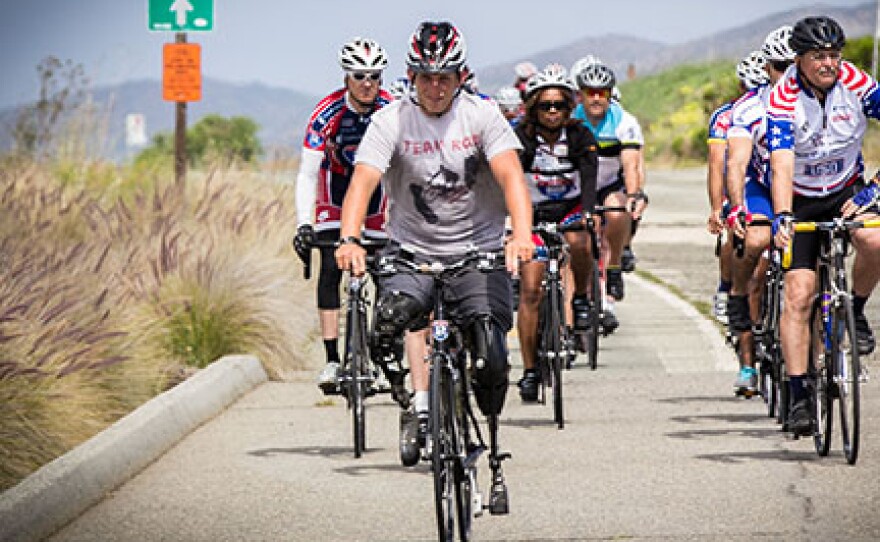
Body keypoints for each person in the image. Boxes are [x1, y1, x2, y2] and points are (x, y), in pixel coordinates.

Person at [334, 22, 534, 505]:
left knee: (490, 356)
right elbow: (362, 182)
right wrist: (350, 238)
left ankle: (490, 442)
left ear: (461, 76)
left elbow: (511, 179)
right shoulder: (392, 120)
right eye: (426, 77)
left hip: (477, 249)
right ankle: (411, 401)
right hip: (413, 250)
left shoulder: (483, 116)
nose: (436, 86)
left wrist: (522, 234)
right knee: (387, 324)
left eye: (445, 76)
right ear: (410, 75)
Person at [768, 16, 880, 435]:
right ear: (799, 60)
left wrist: (873, 189)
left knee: (875, 239)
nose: (830, 63)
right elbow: (780, 163)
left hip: (847, 188)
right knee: (799, 294)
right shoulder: (782, 100)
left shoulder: (859, 83)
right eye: (819, 57)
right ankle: (798, 395)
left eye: (835, 55)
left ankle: (857, 307)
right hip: (801, 198)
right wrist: (782, 216)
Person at [292, 37, 393, 394]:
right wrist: (304, 224)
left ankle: (383, 357)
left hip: (379, 198)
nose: (368, 83)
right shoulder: (327, 113)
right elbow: (306, 172)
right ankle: (333, 359)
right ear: (346, 78)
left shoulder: (392, 109)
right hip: (335, 194)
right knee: (332, 265)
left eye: (375, 76)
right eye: (360, 76)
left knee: (388, 273)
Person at [512, 64, 598, 402]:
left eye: (559, 105)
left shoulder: (580, 136)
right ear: (533, 107)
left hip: (570, 209)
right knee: (531, 289)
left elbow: (590, 181)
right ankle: (530, 370)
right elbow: (511, 181)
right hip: (531, 213)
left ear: (569, 107)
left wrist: (589, 213)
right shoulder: (519, 138)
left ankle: (579, 300)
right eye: (545, 105)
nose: (552, 112)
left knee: (580, 239)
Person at [726, 29, 795, 397]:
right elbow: (735, 163)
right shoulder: (750, 107)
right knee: (757, 238)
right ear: (768, 68)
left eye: (794, 66)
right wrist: (735, 207)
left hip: (807, 190)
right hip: (763, 187)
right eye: (780, 67)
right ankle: (738, 292)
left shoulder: (820, 102)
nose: (788, 76)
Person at [571, 60, 646, 332]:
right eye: (589, 92)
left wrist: (634, 194)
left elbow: (631, 165)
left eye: (601, 92)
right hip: (578, 185)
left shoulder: (624, 122)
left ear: (609, 94)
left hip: (609, 184)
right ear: (579, 93)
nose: (595, 98)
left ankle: (613, 266)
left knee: (616, 211)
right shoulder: (571, 118)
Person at [706, 50, 769, 326]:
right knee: (736, 231)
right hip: (738, 177)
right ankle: (726, 287)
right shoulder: (724, 117)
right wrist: (717, 208)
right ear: (740, 86)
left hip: (766, 176)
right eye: (748, 88)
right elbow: (717, 163)